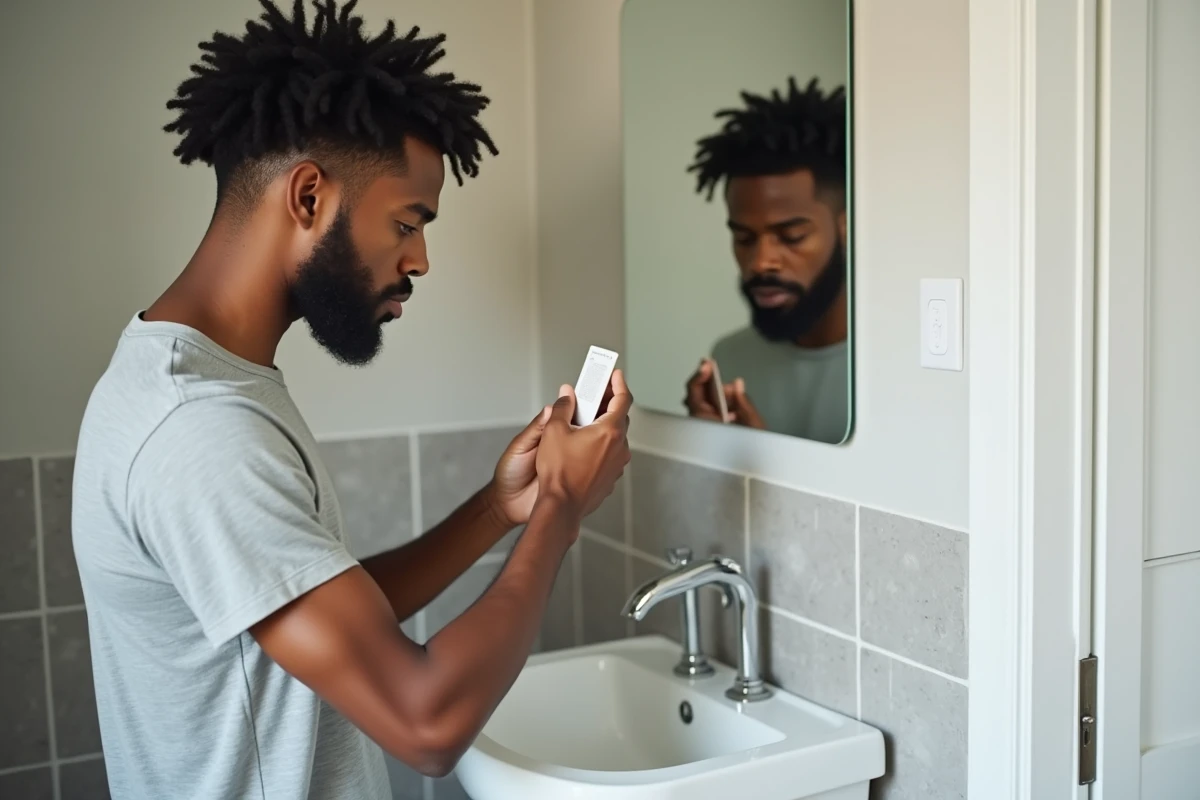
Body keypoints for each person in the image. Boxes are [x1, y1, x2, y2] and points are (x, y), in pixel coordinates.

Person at [70, 2, 631, 797]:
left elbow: (324, 613)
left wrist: (497, 510)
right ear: (307, 198)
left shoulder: (192, 382)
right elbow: (428, 723)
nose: (422, 259)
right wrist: (560, 512)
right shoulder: (201, 433)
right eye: (408, 222)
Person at [682, 77, 850, 443]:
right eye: (743, 238)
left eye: (792, 237)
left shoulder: (896, 370)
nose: (761, 263)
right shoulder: (730, 357)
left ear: (845, 227)